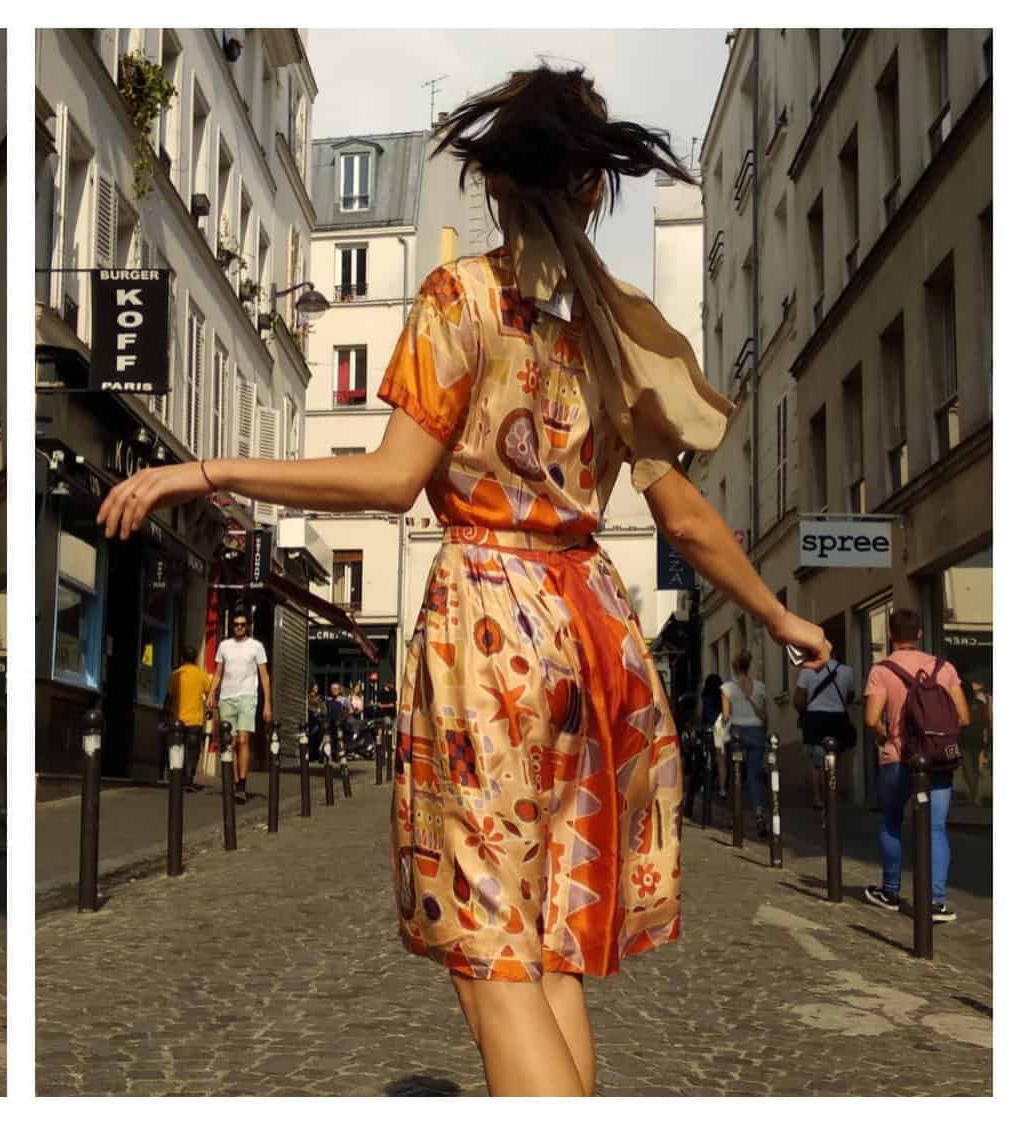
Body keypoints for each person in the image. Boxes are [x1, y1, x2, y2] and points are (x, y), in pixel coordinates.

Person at [94, 65, 829, 1096]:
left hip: (492, 632)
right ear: (591, 192)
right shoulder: (612, 340)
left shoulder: (460, 298)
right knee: (543, 946)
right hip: (595, 636)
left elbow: (392, 478)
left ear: (492, 188)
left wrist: (209, 469)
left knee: (488, 952)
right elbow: (682, 517)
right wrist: (775, 611)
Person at [862, 608, 970, 923]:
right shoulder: (944, 668)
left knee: (891, 821)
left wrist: (886, 736)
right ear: (920, 634)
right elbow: (963, 717)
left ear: (890, 636)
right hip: (937, 760)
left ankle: (891, 891)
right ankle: (936, 902)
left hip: (898, 757)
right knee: (936, 828)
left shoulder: (882, 670)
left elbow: (871, 718)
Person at [212, 611, 270, 801]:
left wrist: (267, 703)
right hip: (227, 698)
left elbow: (264, 676)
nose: (239, 627)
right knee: (231, 742)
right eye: (236, 624)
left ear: (248, 626)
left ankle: (242, 784)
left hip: (247, 697)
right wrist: (212, 693)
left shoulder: (256, 647)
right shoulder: (224, 646)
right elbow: (218, 673)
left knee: (244, 740)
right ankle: (235, 782)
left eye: (242, 624)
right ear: (232, 626)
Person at [795, 646, 858, 811]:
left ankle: (818, 798)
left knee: (817, 762)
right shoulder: (847, 671)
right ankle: (833, 795)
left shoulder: (807, 671)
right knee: (836, 759)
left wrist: (804, 709)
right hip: (838, 718)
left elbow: (799, 700)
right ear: (835, 653)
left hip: (815, 718)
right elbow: (850, 696)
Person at [722, 651, 772, 835]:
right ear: (749, 666)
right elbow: (764, 714)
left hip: (737, 734)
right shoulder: (760, 687)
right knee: (754, 776)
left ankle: (732, 816)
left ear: (734, 668)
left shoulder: (727, 688)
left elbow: (726, 716)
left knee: (734, 775)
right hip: (756, 732)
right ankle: (759, 814)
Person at [164, 644, 213, 769]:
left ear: (182, 659)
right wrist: (209, 710)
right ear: (196, 659)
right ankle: (189, 778)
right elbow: (210, 696)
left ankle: (177, 776)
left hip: (177, 721)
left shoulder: (175, 675)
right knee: (193, 750)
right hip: (195, 721)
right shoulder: (202, 675)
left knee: (176, 749)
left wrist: (165, 715)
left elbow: (169, 697)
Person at [700, 673, 727, 797]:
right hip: (721, 727)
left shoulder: (705, 697)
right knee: (722, 759)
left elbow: (701, 714)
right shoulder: (722, 695)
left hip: (709, 729)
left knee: (708, 758)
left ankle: (706, 785)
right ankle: (723, 789)